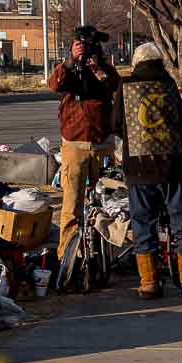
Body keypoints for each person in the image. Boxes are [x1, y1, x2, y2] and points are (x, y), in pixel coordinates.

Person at [120, 42, 182, 298]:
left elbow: (115, 124)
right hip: (172, 166)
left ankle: (149, 283)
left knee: (143, 223)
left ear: (136, 62)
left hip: (138, 168)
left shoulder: (125, 88)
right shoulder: (169, 86)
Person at [47, 26, 121, 281]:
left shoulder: (104, 69)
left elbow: (114, 84)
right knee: (72, 204)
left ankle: (108, 249)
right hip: (75, 143)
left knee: (108, 200)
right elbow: (54, 84)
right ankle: (66, 259)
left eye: (90, 47)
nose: (87, 51)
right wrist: (71, 61)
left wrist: (98, 68)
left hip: (102, 144)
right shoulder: (68, 69)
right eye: (82, 46)